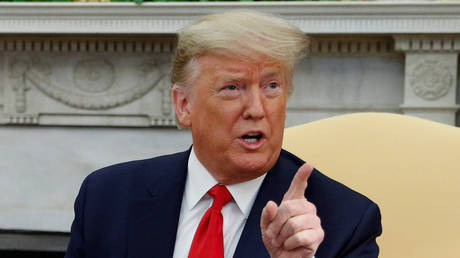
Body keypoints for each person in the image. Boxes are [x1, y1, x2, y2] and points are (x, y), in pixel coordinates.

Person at [65, 10, 381, 258]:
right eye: (233, 88)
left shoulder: (343, 221)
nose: (257, 109)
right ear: (184, 104)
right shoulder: (107, 198)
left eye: (272, 86)